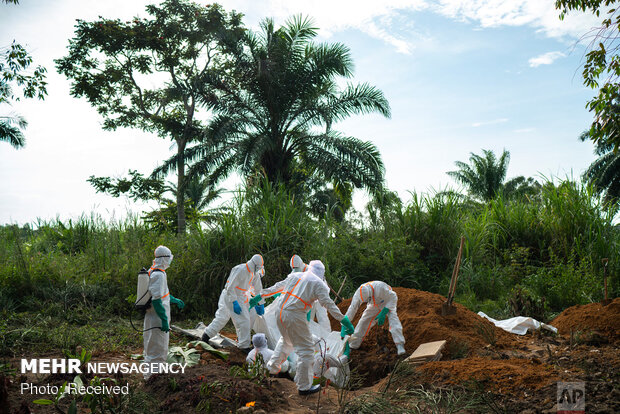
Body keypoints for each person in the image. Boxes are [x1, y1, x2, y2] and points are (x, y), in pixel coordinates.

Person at [249, 260, 355, 395]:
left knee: (286, 342)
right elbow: (329, 305)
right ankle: (304, 386)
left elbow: (277, 287)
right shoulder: (318, 284)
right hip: (295, 316)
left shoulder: (296, 276)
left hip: (280, 312)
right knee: (307, 351)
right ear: (322, 274)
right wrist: (344, 320)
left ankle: (272, 370)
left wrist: (259, 296)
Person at [202, 254, 264, 352]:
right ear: (254, 265)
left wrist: (260, 303)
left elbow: (258, 289)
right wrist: (234, 302)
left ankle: (242, 339)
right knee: (233, 319)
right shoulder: (240, 269)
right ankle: (243, 346)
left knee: (252, 314)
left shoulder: (254, 274)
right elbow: (230, 287)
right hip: (231, 295)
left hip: (243, 296)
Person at [143, 245, 184, 379]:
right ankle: (152, 379)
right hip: (157, 318)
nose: (170, 261)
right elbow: (156, 300)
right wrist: (165, 320)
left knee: (151, 347)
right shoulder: (158, 275)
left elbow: (161, 294)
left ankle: (150, 376)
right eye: (169, 258)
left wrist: (174, 299)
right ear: (164, 259)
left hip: (151, 317)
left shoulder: (154, 271)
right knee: (158, 350)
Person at [345, 281, 406, 355]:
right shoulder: (359, 294)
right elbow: (352, 308)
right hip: (373, 304)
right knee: (363, 321)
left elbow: (393, 296)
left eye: (368, 299)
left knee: (393, 319)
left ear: (370, 293)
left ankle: (399, 345)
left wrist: (384, 311)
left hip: (387, 302)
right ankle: (353, 345)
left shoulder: (380, 287)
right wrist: (344, 324)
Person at [306, 260, 331, 332]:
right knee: (309, 317)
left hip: (320, 298)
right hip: (309, 298)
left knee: (323, 317)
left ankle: (327, 336)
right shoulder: (307, 275)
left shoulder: (323, 284)